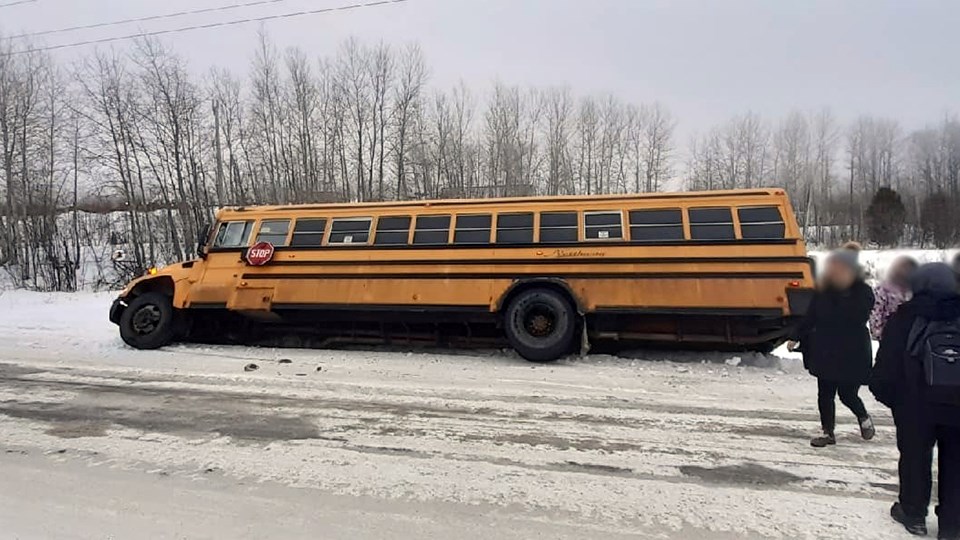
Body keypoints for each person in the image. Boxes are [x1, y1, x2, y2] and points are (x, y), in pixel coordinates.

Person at [870, 263, 960, 539]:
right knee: (956, 461)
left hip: (915, 406)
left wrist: (895, 401)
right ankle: (952, 524)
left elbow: (885, 369)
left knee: (914, 458)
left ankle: (913, 513)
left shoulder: (905, 317)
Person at [788, 243, 876, 447]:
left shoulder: (862, 291)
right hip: (826, 347)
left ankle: (863, 417)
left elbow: (859, 315)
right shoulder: (824, 291)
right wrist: (795, 336)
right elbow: (811, 316)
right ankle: (828, 432)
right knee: (825, 393)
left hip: (852, 350)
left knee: (847, 393)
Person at [870, 256, 919, 340]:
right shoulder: (884, 288)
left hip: (912, 337)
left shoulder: (916, 288)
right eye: (904, 268)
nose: (906, 272)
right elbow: (876, 312)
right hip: (890, 336)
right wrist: (880, 333)